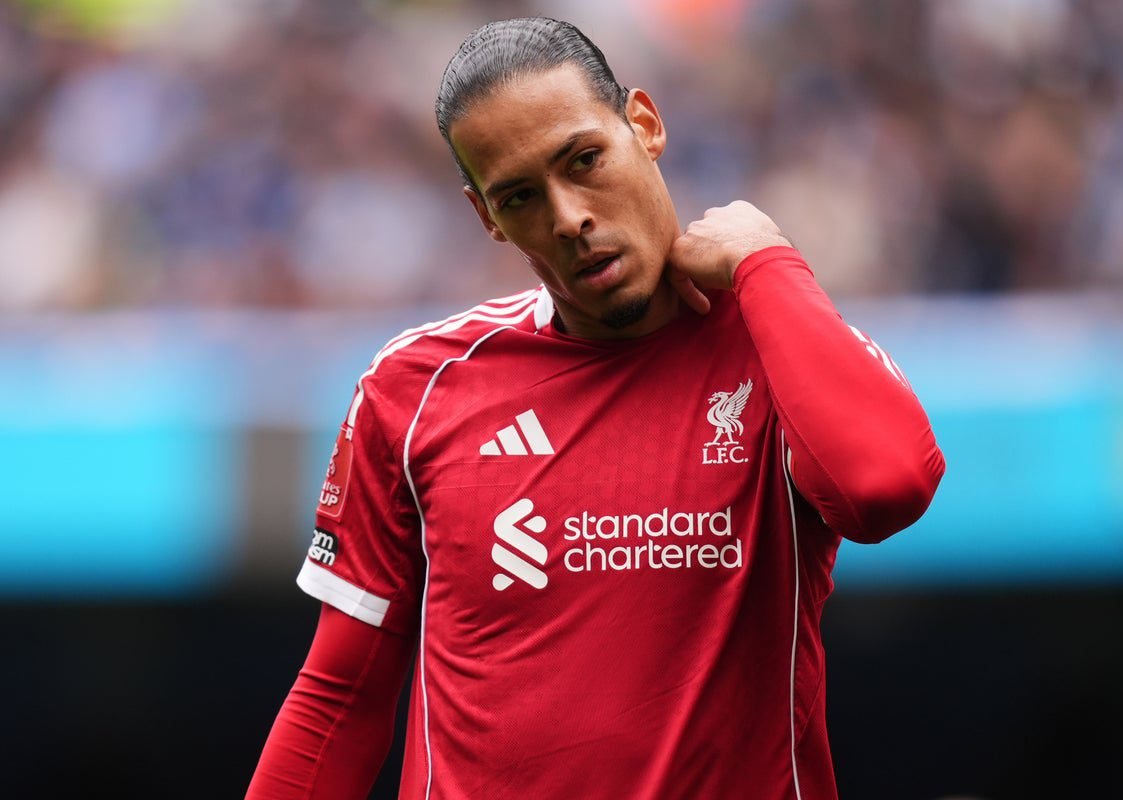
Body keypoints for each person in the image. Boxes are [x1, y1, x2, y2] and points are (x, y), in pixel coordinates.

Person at [246, 17, 945, 800]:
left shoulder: (779, 346)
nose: (568, 216)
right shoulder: (416, 388)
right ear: (486, 217)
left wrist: (767, 262)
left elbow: (886, 488)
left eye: (583, 160)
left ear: (644, 125)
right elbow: (340, 698)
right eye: (519, 197)